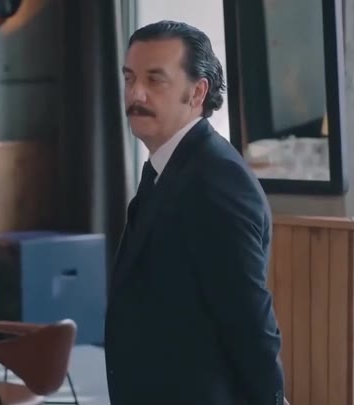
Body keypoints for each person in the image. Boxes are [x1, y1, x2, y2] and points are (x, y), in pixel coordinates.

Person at [104, 21, 285, 405]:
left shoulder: (217, 180)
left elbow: (250, 323)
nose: (135, 93)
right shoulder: (168, 167)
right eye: (129, 78)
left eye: (155, 80)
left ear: (198, 92)